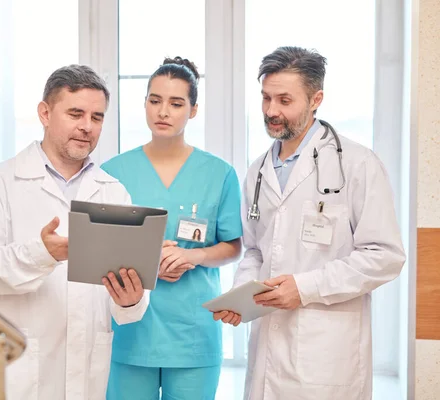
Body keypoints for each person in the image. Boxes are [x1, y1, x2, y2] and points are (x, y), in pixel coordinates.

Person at [215, 46, 406, 400]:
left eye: (284, 100)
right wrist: (242, 296)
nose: (271, 111)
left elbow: (385, 256)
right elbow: (256, 249)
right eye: (266, 98)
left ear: (316, 99)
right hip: (268, 346)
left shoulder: (357, 164)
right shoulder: (258, 171)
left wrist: (305, 287)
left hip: (326, 351)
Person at [0, 65, 149, 400]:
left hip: (87, 372)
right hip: (17, 374)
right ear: (45, 113)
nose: (87, 126)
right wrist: (41, 255)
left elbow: (126, 298)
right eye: (76, 113)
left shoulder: (114, 193)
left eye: (97, 117)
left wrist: (132, 301)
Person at [102, 57, 243, 400]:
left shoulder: (219, 173)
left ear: (193, 110)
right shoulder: (112, 172)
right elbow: (100, 247)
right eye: (155, 100)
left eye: (176, 103)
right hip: (131, 331)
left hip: (193, 331)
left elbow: (233, 247)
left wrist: (192, 256)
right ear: (145, 104)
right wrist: (148, 260)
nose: (163, 111)